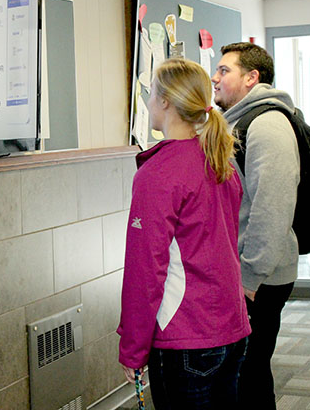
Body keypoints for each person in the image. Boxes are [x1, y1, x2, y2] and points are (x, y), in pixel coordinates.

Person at [118, 58, 251, 409]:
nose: (148, 105)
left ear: (165, 101)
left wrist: (133, 348)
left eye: (152, 96)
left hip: (187, 339)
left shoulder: (159, 173)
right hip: (232, 329)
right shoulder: (219, 159)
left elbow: (145, 270)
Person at [211, 42, 300, 409]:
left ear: (251, 78)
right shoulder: (236, 122)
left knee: (249, 376)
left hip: (260, 277)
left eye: (224, 71)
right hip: (246, 272)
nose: (214, 78)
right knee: (244, 374)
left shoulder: (267, 125)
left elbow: (273, 208)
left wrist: (249, 278)